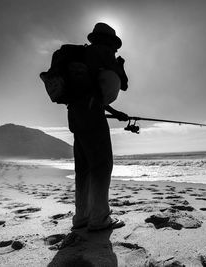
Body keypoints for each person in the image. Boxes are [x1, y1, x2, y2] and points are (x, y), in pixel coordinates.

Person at [67, 22, 128, 231]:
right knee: (102, 167)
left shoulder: (81, 56)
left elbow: (91, 94)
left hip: (76, 117)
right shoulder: (101, 53)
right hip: (93, 118)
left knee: (83, 170)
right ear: (108, 41)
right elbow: (122, 83)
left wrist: (116, 113)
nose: (115, 50)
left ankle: (82, 217)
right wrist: (118, 64)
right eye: (114, 45)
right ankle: (100, 218)